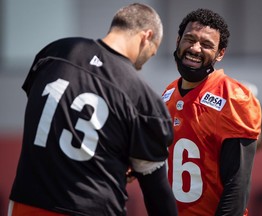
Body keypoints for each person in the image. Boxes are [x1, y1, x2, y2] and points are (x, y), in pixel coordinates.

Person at [8, 3, 177, 216]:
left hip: (26, 203)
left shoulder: (55, 53)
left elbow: (49, 113)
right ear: (146, 37)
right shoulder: (142, 98)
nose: (143, 63)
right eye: (152, 52)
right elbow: (157, 193)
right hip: (92, 207)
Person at [162, 8, 262, 215]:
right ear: (178, 40)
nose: (195, 49)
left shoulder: (234, 97)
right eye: (189, 39)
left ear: (221, 53)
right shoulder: (169, 92)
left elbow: (237, 184)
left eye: (207, 45)